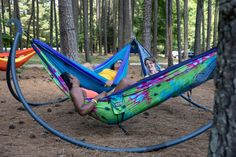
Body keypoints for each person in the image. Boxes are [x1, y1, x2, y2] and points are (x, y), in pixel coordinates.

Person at [61, 72, 134, 116]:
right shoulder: (75, 90)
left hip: (107, 101)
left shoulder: (78, 90)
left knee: (125, 81)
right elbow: (82, 111)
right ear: (71, 80)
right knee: (125, 81)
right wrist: (97, 97)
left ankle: (145, 86)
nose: (76, 77)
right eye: (73, 76)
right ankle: (145, 87)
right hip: (109, 106)